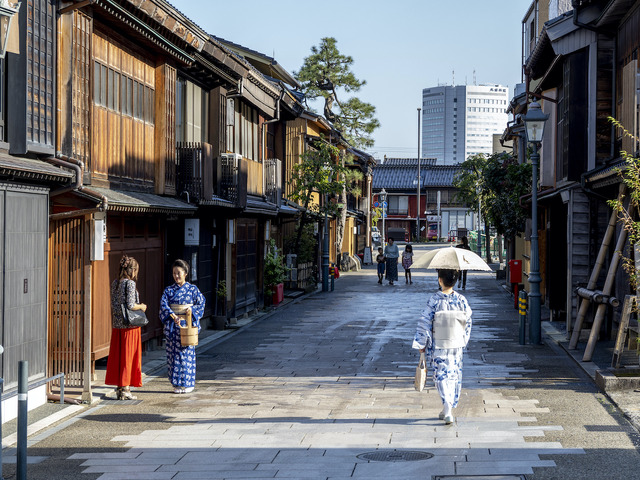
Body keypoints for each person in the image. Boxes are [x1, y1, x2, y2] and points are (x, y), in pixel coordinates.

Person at [412, 268, 472, 424]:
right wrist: (463, 339)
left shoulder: (435, 300)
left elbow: (425, 322)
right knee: (453, 375)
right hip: (456, 345)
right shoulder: (461, 300)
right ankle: (448, 408)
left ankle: (447, 408)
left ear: (440, 280)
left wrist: (421, 343)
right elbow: (468, 321)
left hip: (439, 344)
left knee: (441, 375)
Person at [160, 259, 205, 394]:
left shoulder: (193, 289)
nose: (176, 276)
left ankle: (188, 383)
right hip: (173, 326)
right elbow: (163, 306)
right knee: (172, 355)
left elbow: (201, 303)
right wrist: (172, 316)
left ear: (185, 273)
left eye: (179, 273)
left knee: (187, 355)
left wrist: (192, 311)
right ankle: (176, 385)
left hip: (187, 326)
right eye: (174, 273)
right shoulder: (168, 290)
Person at [105, 255, 147, 400]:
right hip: (130, 325)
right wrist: (142, 306)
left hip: (117, 325)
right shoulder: (130, 284)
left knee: (119, 357)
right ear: (133, 270)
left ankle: (119, 388)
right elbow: (130, 305)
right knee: (128, 358)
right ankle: (126, 388)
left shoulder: (115, 283)